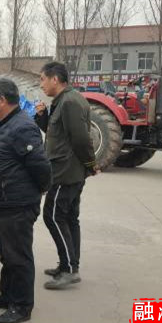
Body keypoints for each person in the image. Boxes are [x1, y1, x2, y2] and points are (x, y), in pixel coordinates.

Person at [0, 78, 51, 323]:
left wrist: (38, 191)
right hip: (2, 203)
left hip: (17, 205)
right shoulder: (4, 124)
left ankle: (21, 306)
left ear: (2, 100)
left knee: (18, 257)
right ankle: (7, 295)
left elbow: (41, 167)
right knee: (6, 255)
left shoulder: (22, 127)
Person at [34, 62, 99, 290]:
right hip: (66, 169)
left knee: (53, 216)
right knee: (69, 218)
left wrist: (91, 164)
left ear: (55, 79)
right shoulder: (62, 101)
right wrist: (42, 116)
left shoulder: (70, 101)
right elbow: (57, 134)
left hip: (65, 171)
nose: (41, 84)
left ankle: (70, 270)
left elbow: (80, 139)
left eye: (42, 79)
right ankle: (68, 265)